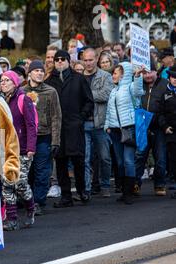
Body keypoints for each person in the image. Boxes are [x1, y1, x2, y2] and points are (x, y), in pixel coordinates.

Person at [45, 50, 94, 208]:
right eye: (56, 59)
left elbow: (89, 101)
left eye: (63, 59)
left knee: (78, 161)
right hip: (57, 129)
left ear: (68, 61)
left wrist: (81, 118)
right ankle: (66, 196)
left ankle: (82, 191)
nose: (59, 62)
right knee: (60, 163)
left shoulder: (78, 79)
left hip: (74, 126)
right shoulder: (49, 81)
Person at [0, 70, 37, 230]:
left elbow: (31, 125)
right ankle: (12, 219)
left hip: (22, 149)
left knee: (20, 183)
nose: (3, 83)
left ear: (15, 83)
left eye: (7, 80)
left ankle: (30, 210)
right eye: (2, 80)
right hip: (5, 150)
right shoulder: (0, 102)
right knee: (7, 185)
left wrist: (31, 147)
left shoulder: (24, 99)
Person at [24, 60, 62, 214]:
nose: (39, 73)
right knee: (27, 172)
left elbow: (56, 117)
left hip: (43, 136)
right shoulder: (21, 91)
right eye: (36, 70)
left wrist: (55, 141)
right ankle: (28, 200)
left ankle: (38, 202)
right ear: (29, 73)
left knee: (42, 171)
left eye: (41, 71)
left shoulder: (50, 91)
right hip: (26, 138)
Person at [104, 63, 145, 205]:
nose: (112, 76)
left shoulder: (130, 87)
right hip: (115, 131)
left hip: (129, 129)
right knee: (120, 162)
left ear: (123, 74)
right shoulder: (113, 91)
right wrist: (107, 126)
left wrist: (138, 75)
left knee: (128, 161)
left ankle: (129, 192)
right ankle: (124, 191)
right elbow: (109, 111)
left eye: (115, 73)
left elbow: (138, 90)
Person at [82, 48, 114, 198]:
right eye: (85, 60)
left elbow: (106, 94)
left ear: (96, 59)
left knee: (105, 157)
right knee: (85, 158)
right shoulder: (78, 77)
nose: (88, 63)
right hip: (84, 123)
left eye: (91, 60)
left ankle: (105, 185)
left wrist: (85, 94)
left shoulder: (105, 76)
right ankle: (86, 189)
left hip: (100, 123)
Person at [135, 60, 168, 196]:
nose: (148, 75)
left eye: (150, 72)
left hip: (159, 127)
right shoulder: (138, 85)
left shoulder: (164, 85)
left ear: (156, 71)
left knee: (160, 158)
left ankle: (160, 184)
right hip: (142, 127)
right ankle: (135, 183)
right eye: (145, 73)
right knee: (139, 156)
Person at [157, 65, 176, 198]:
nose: (175, 80)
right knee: (174, 160)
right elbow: (160, 113)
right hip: (172, 132)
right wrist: (165, 127)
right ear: (169, 78)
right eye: (173, 77)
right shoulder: (165, 93)